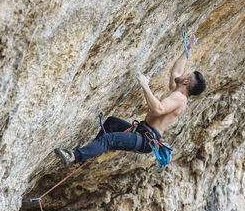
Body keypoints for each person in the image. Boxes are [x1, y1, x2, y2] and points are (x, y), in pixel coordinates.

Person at [55, 35, 206, 167]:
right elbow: (176, 72)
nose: (184, 74)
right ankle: (89, 152)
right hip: (142, 131)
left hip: (145, 140)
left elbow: (158, 109)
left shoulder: (179, 99)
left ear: (186, 82)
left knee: (109, 139)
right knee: (111, 123)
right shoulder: (176, 90)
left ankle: (74, 156)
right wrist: (187, 50)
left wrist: (145, 86)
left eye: (187, 75)